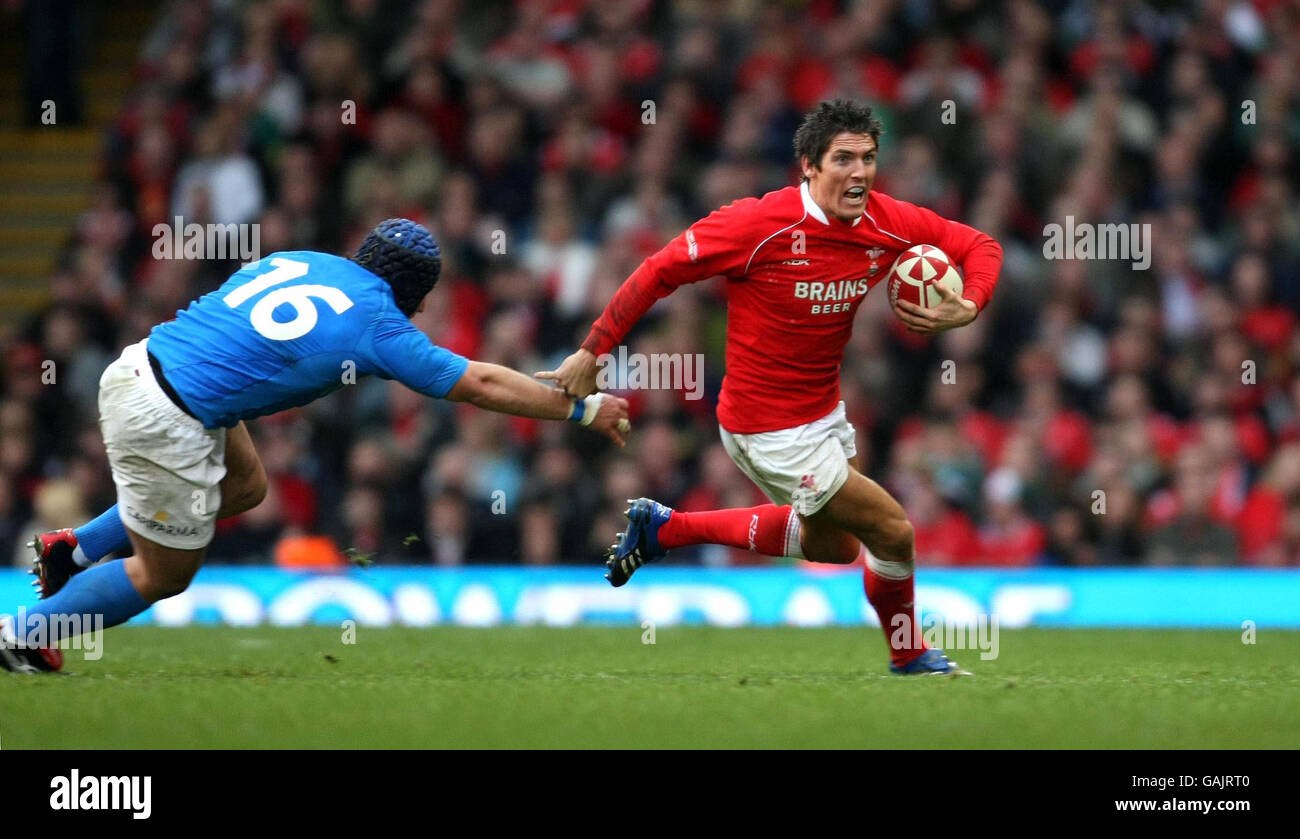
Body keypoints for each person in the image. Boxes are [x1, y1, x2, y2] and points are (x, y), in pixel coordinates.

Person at [1, 219, 629, 673]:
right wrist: (582, 408)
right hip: (172, 414)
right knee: (164, 574)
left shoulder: (299, 258)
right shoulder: (380, 323)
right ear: (417, 295)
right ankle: (23, 634)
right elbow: (482, 382)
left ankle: (77, 549)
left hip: (140, 365)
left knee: (246, 486)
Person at [537, 100, 1002, 675]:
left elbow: (981, 246)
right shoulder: (756, 225)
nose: (859, 172)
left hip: (821, 410)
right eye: (843, 159)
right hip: (767, 426)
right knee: (894, 531)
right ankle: (909, 655)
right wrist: (592, 350)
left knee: (837, 547)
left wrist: (970, 305)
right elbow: (657, 270)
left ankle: (665, 528)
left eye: (869, 158)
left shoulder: (887, 223)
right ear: (808, 164)